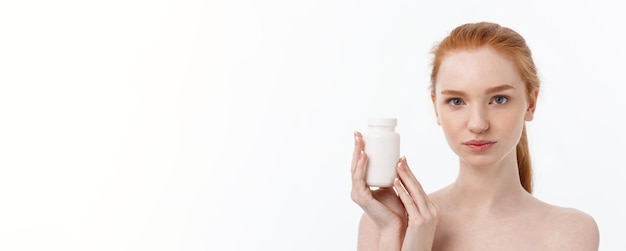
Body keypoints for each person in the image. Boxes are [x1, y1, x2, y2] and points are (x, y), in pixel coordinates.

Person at [350, 22, 599, 250]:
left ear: (531, 104)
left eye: (499, 99)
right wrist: (402, 236)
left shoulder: (569, 232)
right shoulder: (383, 222)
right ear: (436, 107)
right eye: (456, 101)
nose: (478, 124)